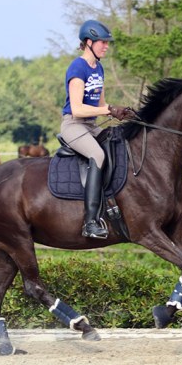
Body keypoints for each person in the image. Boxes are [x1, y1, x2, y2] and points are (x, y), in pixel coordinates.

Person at [60, 19, 134, 239]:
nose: (106, 46)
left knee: (117, 144)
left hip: (92, 125)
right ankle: (90, 221)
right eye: (103, 42)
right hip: (73, 124)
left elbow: (100, 105)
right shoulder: (78, 67)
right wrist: (108, 109)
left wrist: (116, 111)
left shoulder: (98, 68)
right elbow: (77, 108)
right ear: (89, 42)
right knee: (97, 154)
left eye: (107, 42)